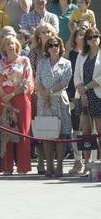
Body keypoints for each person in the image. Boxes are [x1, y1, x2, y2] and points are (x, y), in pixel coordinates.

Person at [35, 35, 72, 177]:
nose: (53, 47)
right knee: (47, 134)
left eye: (56, 45)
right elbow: (37, 81)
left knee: (61, 135)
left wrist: (49, 91)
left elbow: (65, 82)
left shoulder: (66, 63)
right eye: (50, 45)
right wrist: (43, 92)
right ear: (47, 48)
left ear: (60, 47)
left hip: (59, 101)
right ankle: (49, 166)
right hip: (44, 102)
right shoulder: (42, 63)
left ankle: (60, 166)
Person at [0, 34, 33, 175]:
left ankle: (23, 166)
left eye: (12, 43)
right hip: (4, 99)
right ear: (3, 47)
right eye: (7, 44)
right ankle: (7, 167)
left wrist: (11, 95)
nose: (10, 46)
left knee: (23, 132)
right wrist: (5, 98)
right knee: (7, 132)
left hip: (20, 97)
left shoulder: (24, 60)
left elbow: (26, 82)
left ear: (17, 45)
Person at [27, 21, 57, 174]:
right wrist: (39, 89)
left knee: (55, 128)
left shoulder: (56, 49)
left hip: (55, 93)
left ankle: (53, 162)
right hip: (38, 94)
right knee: (40, 128)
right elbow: (30, 73)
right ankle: (40, 161)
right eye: (43, 32)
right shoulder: (34, 52)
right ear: (38, 35)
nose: (46, 34)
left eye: (49, 32)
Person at [67, 21, 91, 175]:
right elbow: (70, 77)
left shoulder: (92, 54)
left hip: (89, 94)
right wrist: (73, 96)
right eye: (79, 35)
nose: (81, 37)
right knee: (76, 129)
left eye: (84, 35)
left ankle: (90, 162)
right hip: (73, 95)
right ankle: (78, 161)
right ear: (74, 38)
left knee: (88, 129)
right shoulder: (70, 54)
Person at [74, 26, 101, 154]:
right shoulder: (81, 55)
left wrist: (86, 87)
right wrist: (83, 92)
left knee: (100, 130)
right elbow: (76, 76)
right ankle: (87, 162)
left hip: (98, 96)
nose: (94, 39)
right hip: (83, 96)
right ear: (87, 41)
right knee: (86, 131)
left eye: (96, 36)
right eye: (90, 37)